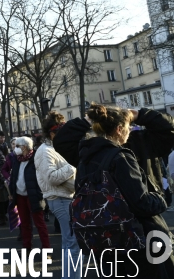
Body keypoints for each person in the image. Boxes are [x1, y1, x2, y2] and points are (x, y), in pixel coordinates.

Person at [75, 104, 174, 277]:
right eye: (128, 127)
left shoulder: (85, 157)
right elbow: (141, 202)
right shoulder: (121, 156)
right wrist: (161, 197)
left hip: (103, 238)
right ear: (120, 129)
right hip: (137, 237)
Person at [34, 111, 80, 279]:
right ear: (52, 133)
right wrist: (73, 165)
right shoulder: (45, 151)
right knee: (73, 244)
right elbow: (52, 178)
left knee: (69, 243)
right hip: (60, 199)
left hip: (64, 197)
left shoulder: (53, 148)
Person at [8, 137, 50, 253]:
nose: (15, 149)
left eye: (17, 146)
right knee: (25, 224)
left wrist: (39, 194)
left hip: (34, 196)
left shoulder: (37, 159)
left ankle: (47, 250)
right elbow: (13, 177)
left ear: (24, 147)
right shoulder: (17, 159)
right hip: (20, 196)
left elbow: (42, 178)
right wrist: (12, 192)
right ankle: (27, 247)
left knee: (40, 224)